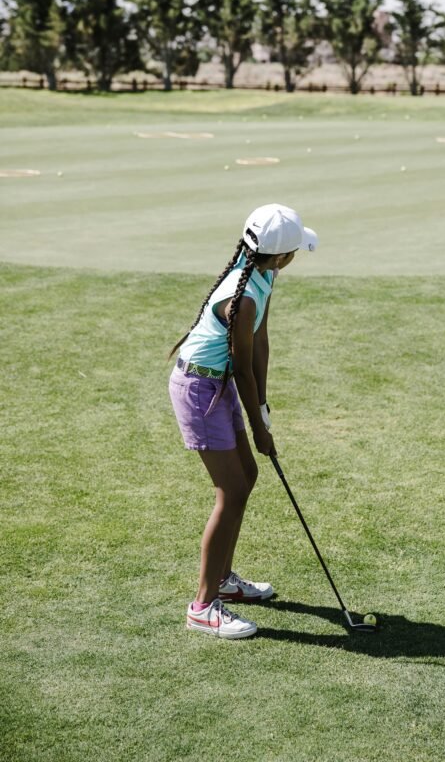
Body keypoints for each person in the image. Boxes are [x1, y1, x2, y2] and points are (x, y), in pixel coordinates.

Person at [168, 203, 318, 639]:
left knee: (246, 476)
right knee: (231, 491)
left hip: (218, 385)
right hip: (200, 390)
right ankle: (202, 606)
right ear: (281, 256)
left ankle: (224, 580)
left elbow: (260, 346)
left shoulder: (263, 275)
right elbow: (242, 367)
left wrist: (264, 407)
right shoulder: (243, 297)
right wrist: (259, 428)